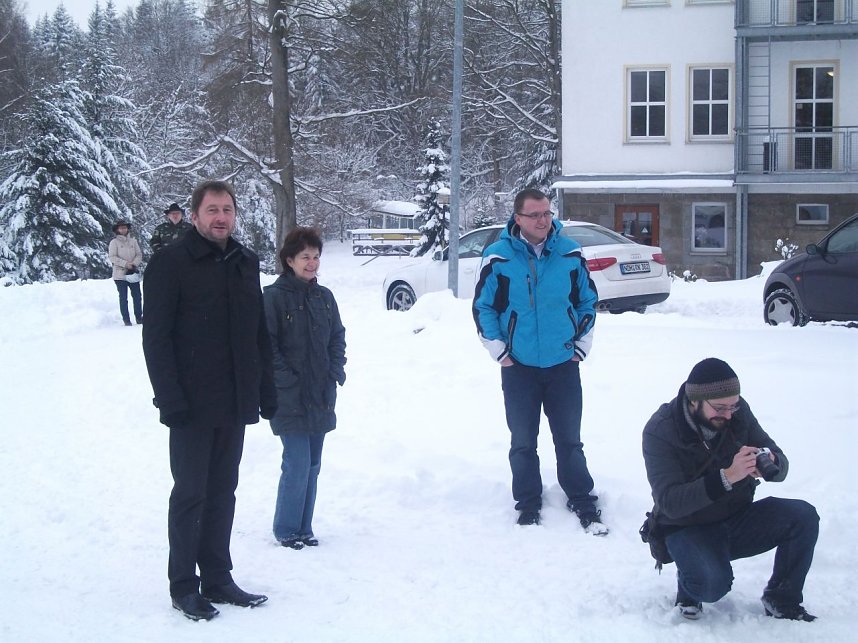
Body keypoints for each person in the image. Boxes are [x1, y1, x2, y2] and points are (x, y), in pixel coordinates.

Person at [142, 180, 277, 621]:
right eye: (212, 209)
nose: (221, 217)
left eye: (227, 209)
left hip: (234, 399)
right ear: (195, 216)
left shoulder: (245, 262)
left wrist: (265, 388)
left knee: (223, 491)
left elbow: (257, 331)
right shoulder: (169, 263)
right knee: (190, 494)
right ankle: (184, 585)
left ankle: (218, 576)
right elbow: (156, 338)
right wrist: (169, 398)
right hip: (190, 404)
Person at [642, 357, 819, 622]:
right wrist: (726, 477)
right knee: (711, 585)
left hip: (735, 516)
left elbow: (778, 458)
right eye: (720, 408)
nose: (728, 414)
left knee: (803, 516)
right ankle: (690, 581)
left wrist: (772, 462)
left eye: (733, 406)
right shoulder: (661, 430)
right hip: (687, 527)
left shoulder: (736, 411)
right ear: (694, 401)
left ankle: (781, 598)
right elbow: (670, 502)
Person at [472, 188, 606, 534]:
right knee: (523, 441)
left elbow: (586, 301)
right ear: (518, 218)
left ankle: (581, 498)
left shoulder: (569, 252)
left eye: (547, 213)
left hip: (563, 363)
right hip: (519, 366)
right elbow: (483, 307)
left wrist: (579, 347)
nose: (543, 220)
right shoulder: (498, 257)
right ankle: (528, 503)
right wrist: (499, 350)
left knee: (569, 439)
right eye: (535, 215)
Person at [263, 227, 346, 550]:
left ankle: (303, 527)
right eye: (305, 257)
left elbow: (337, 336)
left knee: (313, 464)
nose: (312, 263)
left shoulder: (324, 298)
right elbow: (267, 345)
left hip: (321, 392)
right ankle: (285, 528)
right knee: (296, 461)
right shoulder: (274, 297)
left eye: (315, 257)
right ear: (289, 260)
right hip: (289, 394)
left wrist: (335, 369)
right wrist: (285, 379)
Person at [108, 221, 143, 326]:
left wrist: (133, 264)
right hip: (120, 274)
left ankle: (139, 317)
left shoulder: (133, 241)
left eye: (125, 228)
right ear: (117, 230)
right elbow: (112, 257)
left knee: (137, 296)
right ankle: (126, 319)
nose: (123, 230)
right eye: (121, 228)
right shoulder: (114, 242)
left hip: (132, 273)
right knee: (123, 297)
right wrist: (125, 264)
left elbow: (139, 254)